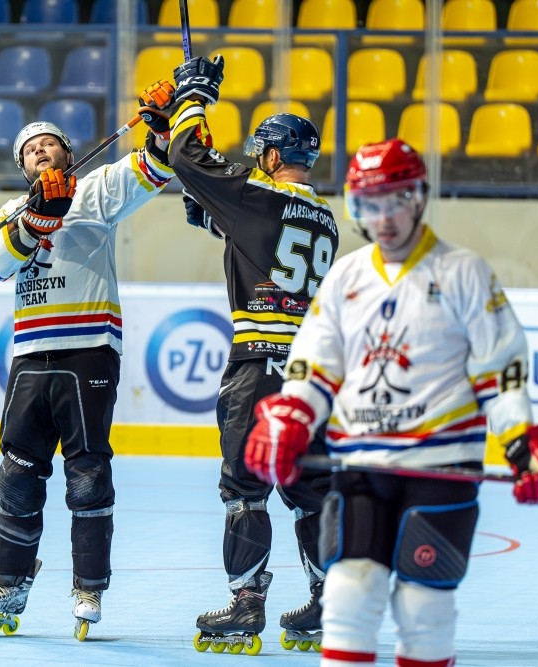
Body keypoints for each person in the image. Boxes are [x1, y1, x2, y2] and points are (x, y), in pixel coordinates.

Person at [243, 138, 538, 667]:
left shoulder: (464, 272)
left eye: (396, 200)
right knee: (348, 596)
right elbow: (314, 365)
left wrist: (520, 442)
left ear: (419, 197)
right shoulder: (346, 276)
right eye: (369, 204)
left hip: (440, 468)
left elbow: (500, 374)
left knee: (424, 609)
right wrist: (292, 418)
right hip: (361, 469)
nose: (384, 217)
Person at [0, 81, 176, 640]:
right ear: (22, 168)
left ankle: (88, 587)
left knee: (86, 473)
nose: (40, 151)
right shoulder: (12, 209)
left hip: (89, 351)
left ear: (66, 151)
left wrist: (160, 126)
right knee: (17, 474)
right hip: (32, 355)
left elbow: (156, 166)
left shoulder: (97, 188)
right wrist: (34, 221)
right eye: (30, 150)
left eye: (48, 144)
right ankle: (9, 585)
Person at [167, 55, 340, 653]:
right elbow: (258, 236)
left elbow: (185, 155)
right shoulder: (324, 216)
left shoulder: (255, 192)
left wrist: (193, 97)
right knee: (309, 489)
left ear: (270, 154)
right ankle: (327, 602)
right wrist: (213, 212)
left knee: (244, 488)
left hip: (258, 368)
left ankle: (245, 604)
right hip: (309, 373)